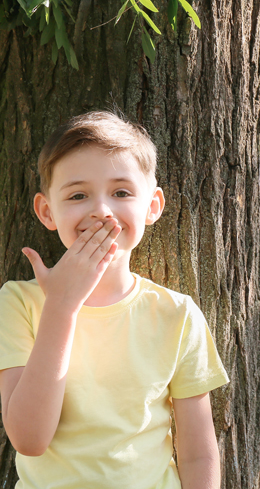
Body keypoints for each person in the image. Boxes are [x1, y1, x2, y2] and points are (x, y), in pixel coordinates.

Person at [0, 111, 229, 489]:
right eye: (77, 195)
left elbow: (198, 452)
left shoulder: (177, 314)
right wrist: (61, 306)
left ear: (152, 206)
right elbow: (29, 439)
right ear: (46, 211)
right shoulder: (18, 303)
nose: (101, 211)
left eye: (121, 192)